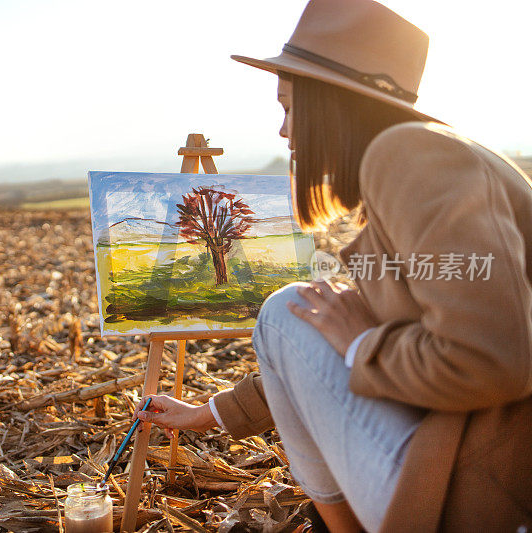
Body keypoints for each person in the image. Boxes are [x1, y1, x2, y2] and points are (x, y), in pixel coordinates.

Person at [133, 0, 532, 531]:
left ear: (330, 104)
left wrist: (363, 346)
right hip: (483, 455)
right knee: (305, 310)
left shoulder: (409, 153)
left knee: (284, 309)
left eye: (290, 108)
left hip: (489, 486)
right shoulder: (426, 158)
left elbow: (492, 360)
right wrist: (215, 413)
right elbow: (340, 329)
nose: (282, 131)